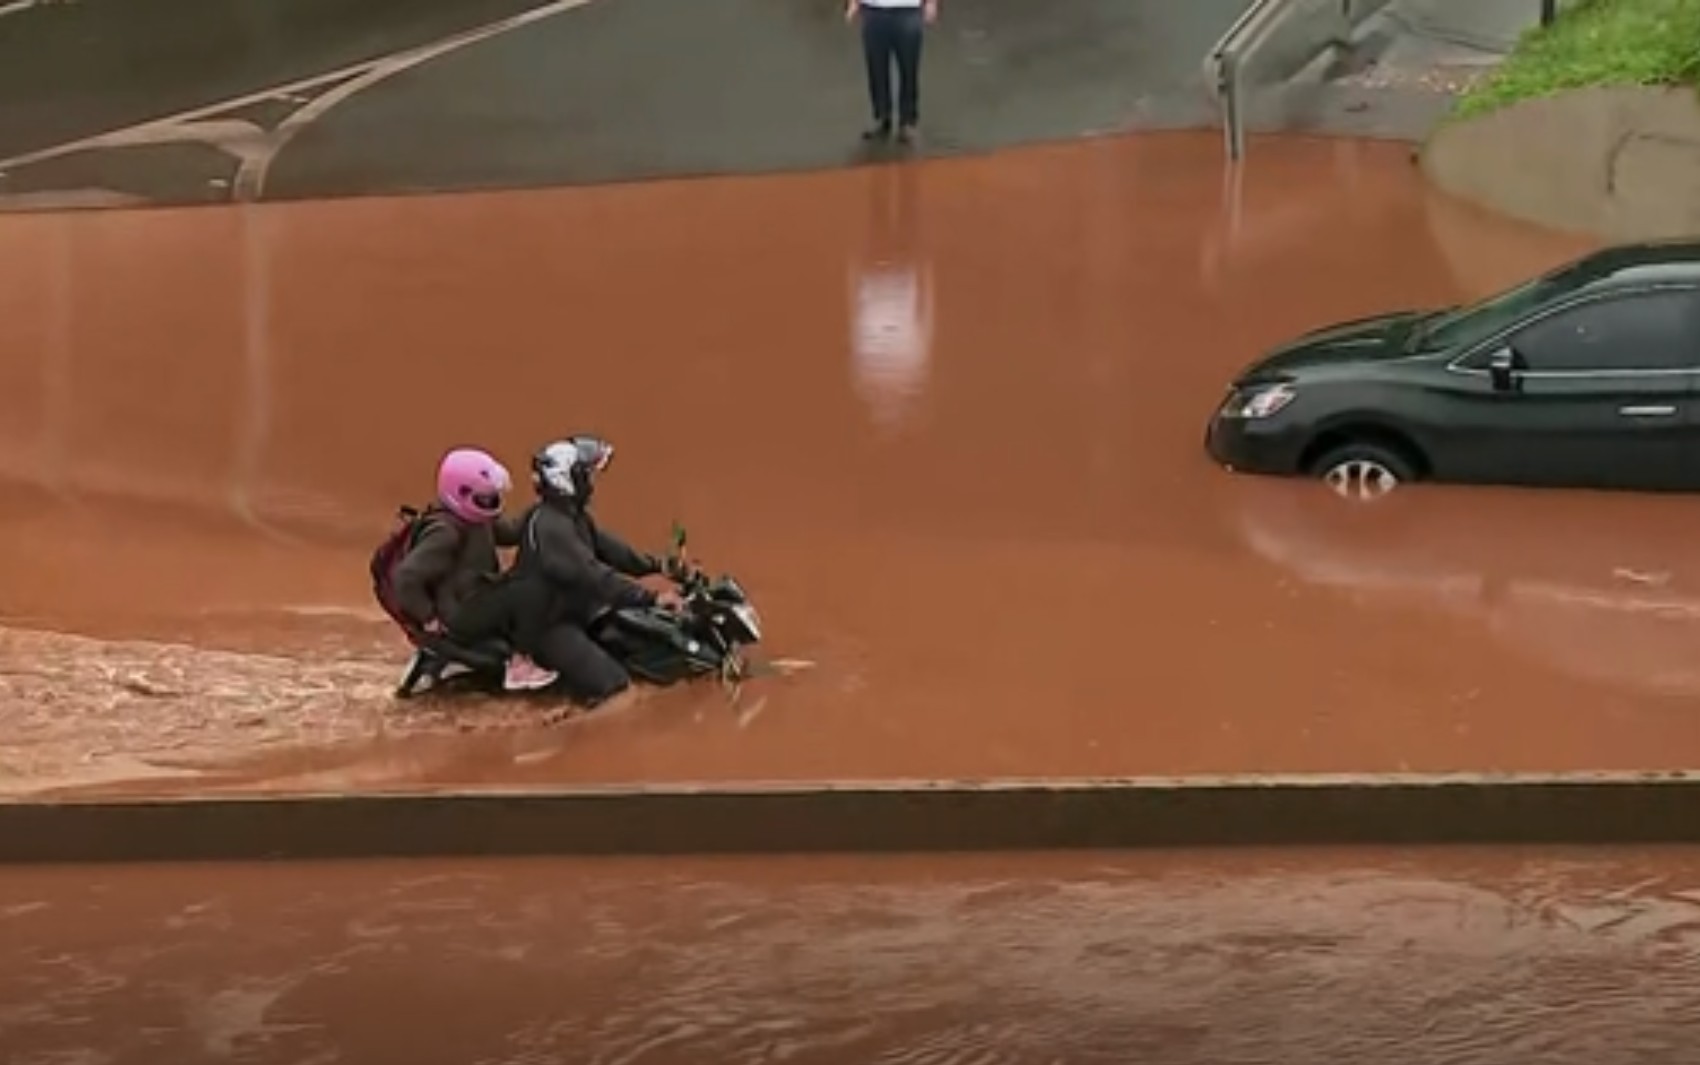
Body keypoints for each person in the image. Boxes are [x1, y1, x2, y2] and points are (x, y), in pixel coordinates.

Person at [509, 435, 683, 707]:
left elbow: (612, 551)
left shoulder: (572, 516)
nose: (591, 482)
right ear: (566, 479)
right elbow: (593, 575)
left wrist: (659, 565)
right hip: (549, 626)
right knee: (617, 689)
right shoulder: (552, 527)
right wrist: (651, 598)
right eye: (586, 475)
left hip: (576, 611)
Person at [384, 447, 558, 691]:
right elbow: (407, 577)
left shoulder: (477, 519)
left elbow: (510, 532)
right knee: (527, 591)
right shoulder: (444, 532)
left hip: (477, 595)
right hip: (459, 612)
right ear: (461, 494)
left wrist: (546, 502)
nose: (490, 503)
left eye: (491, 497)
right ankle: (519, 667)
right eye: (484, 498)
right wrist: (427, 617)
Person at [846, 0, 938, 145]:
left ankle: (907, 121)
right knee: (876, 66)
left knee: (909, 67)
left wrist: (931, 3)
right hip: (873, 10)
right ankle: (881, 118)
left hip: (907, 10)